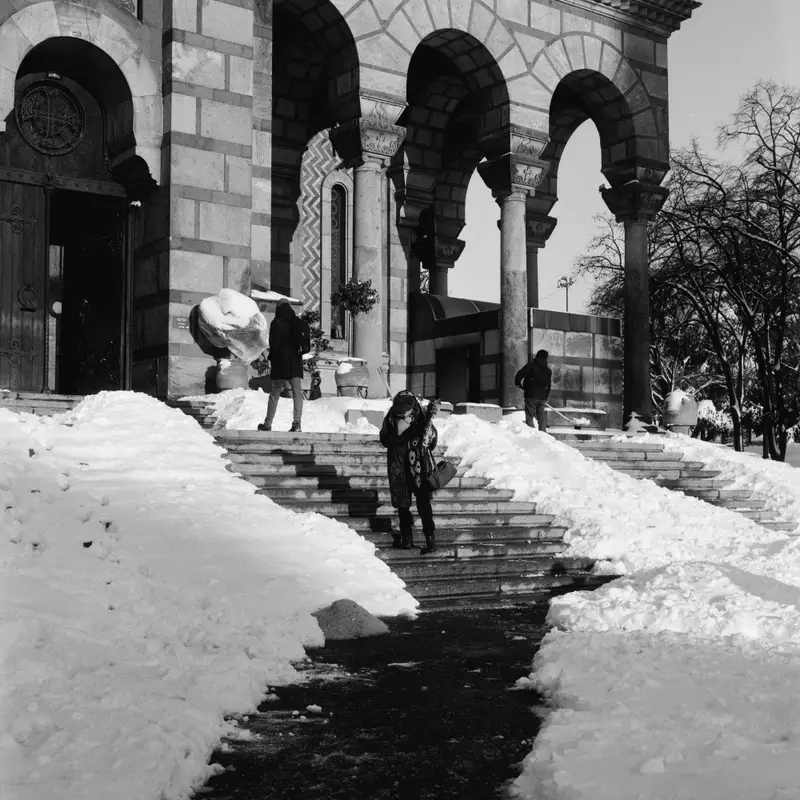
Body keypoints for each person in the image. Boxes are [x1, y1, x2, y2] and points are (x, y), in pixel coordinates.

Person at [379, 391, 441, 555]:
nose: (404, 412)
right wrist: (399, 430)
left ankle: (429, 539)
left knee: (422, 503)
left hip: (418, 467)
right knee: (403, 504)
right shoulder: (392, 417)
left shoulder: (421, 416)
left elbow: (431, 441)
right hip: (399, 468)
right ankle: (407, 539)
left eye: (407, 409)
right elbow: (385, 439)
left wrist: (428, 435)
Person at [258, 300, 310, 432]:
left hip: (280, 363)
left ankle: (268, 424)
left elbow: (273, 344)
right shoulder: (297, 322)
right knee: (297, 393)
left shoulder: (276, 323)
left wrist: (271, 358)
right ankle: (297, 423)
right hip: (294, 363)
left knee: (275, 393)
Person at [515, 349, 552, 432]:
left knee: (529, 416)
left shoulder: (531, 365)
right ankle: (543, 435)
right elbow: (549, 386)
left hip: (531, 395)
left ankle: (532, 434)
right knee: (541, 418)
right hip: (542, 396)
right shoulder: (548, 371)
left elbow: (521, 373)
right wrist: (546, 397)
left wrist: (517, 382)